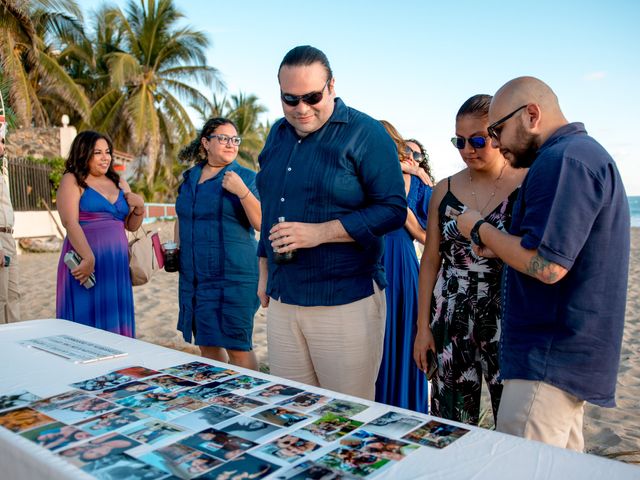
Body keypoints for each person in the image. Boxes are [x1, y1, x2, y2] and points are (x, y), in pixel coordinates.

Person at [456, 77, 630, 450]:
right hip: (566, 356)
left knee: (523, 465)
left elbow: (548, 266)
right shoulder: (582, 154)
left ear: (531, 114)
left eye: (497, 130)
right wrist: (503, 247)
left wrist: (480, 229)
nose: (497, 142)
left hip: (548, 358)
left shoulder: (563, 160)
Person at [256, 45, 407, 400]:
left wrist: (320, 233)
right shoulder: (277, 134)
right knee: (291, 411)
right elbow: (269, 205)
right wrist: (264, 267)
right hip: (282, 298)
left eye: (311, 97)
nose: (302, 109)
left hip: (345, 300)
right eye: (290, 100)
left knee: (345, 419)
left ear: (332, 86)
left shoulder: (366, 133)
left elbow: (392, 209)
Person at [413, 94, 526, 425]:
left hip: (508, 317)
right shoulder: (443, 190)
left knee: (513, 421)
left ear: (498, 135)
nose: (467, 150)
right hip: (450, 316)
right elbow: (430, 261)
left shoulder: (526, 184)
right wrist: (423, 328)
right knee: (451, 421)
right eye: (458, 141)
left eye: (477, 140)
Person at [175, 117, 261, 370]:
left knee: (237, 346)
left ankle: (248, 399)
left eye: (234, 139)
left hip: (235, 275)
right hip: (195, 275)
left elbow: (261, 223)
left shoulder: (246, 177)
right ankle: (220, 399)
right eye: (223, 138)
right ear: (206, 143)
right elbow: (182, 215)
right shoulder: (189, 178)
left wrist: (241, 190)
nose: (230, 144)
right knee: (208, 344)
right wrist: (176, 247)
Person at [56, 130, 144, 337]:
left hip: (116, 263)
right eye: (98, 153)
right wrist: (88, 257)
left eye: (108, 152)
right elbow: (70, 222)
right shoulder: (73, 180)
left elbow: (130, 226)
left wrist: (140, 209)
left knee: (114, 319)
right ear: (83, 153)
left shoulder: (120, 182)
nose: (105, 157)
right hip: (86, 259)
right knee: (85, 323)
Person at [375, 121, 433, 413]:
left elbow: (435, 229)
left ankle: (404, 408)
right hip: (367, 260)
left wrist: (419, 173)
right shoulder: (364, 177)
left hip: (399, 259)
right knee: (374, 337)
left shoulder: (419, 183)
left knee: (403, 333)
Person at [0, 121, 20, 324]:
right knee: (1, 298)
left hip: (9, 237)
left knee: (13, 295)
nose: (2, 146)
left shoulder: (1, 172)